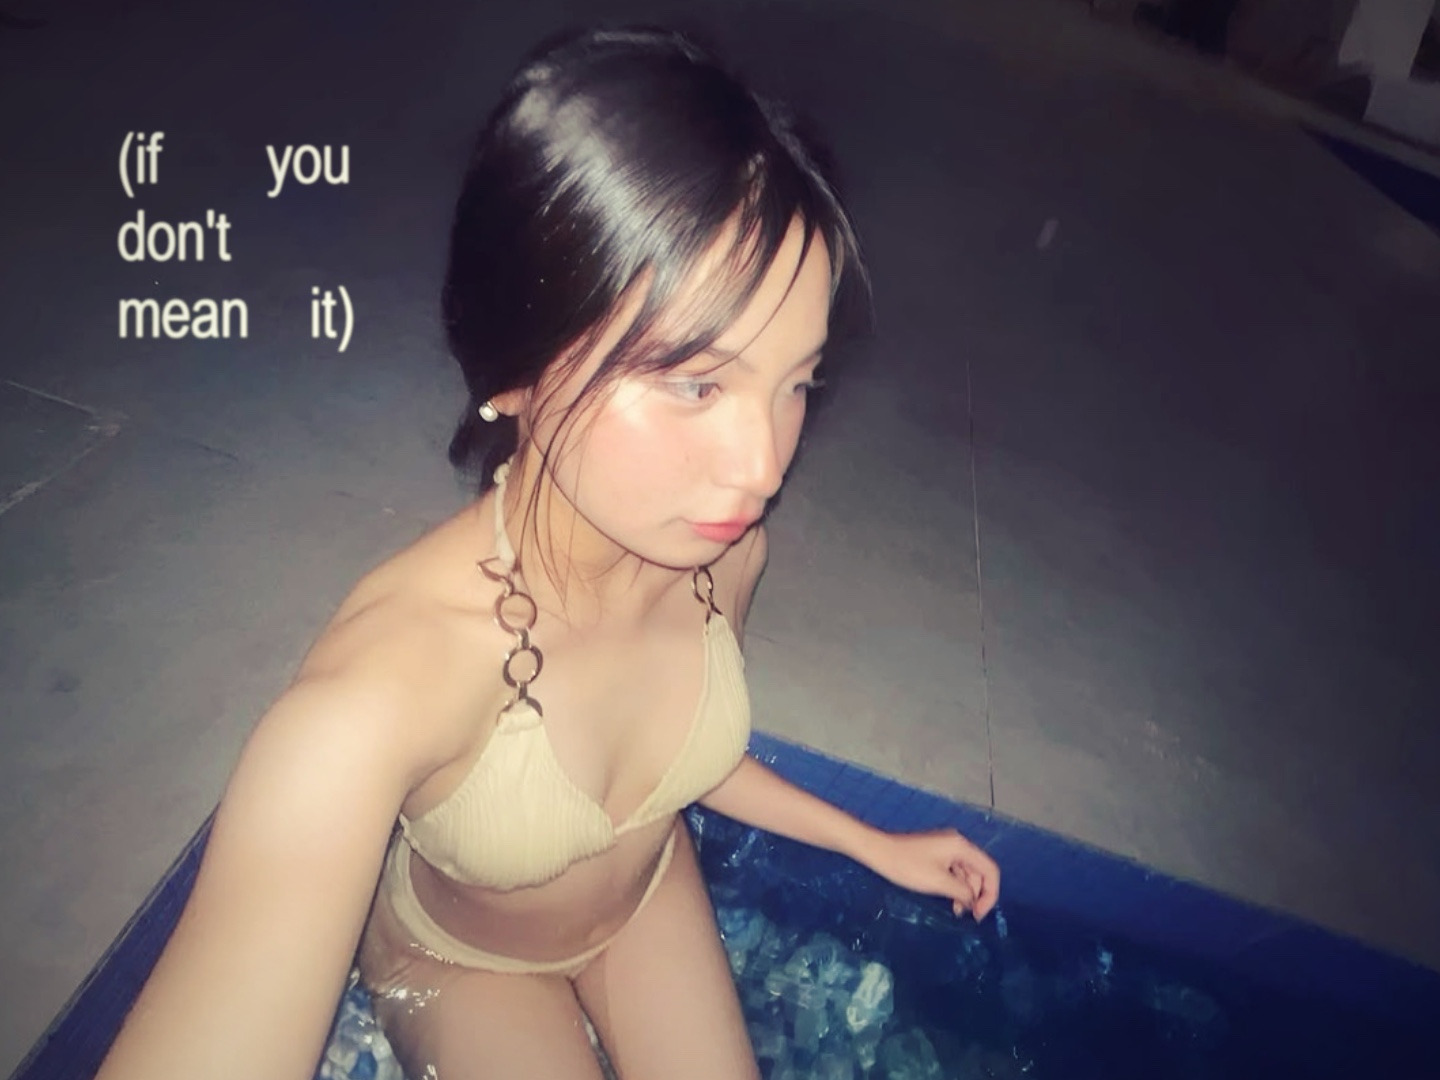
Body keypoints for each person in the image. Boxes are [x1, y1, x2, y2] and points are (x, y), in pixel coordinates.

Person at [95, 26, 1000, 1080]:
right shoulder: (373, 698)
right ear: (515, 370)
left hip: (647, 895)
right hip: (462, 960)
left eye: (796, 383)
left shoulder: (726, 553)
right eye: (697, 383)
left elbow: (679, 757)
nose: (762, 467)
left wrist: (866, 841)